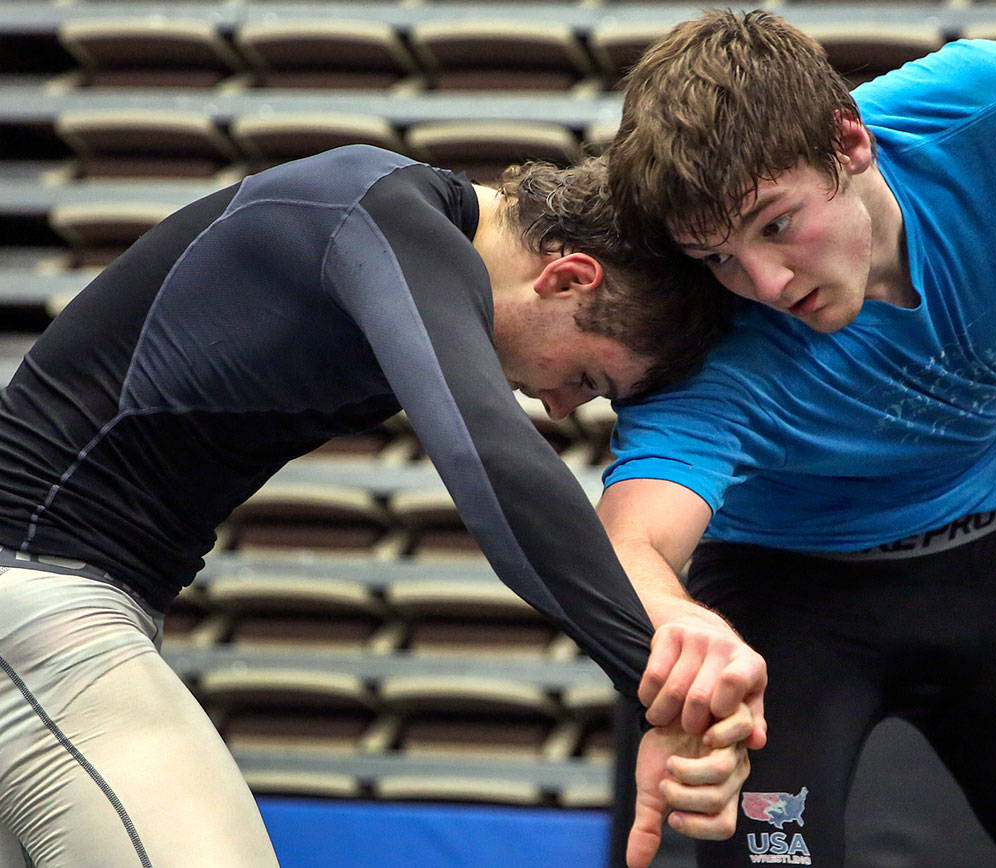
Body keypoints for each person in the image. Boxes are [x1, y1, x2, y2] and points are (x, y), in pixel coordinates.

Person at [0, 144, 759, 868]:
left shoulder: (390, 233)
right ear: (568, 279)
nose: (561, 407)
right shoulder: (378, 214)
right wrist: (659, 687)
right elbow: (493, 462)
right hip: (37, 601)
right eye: (589, 377)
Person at [598, 10, 996, 866]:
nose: (764, 282)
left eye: (777, 224)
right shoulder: (709, 340)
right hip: (782, 603)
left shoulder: (990, 111)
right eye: (718, 256)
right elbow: (633, 537)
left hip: (983, 560)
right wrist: (681, 624)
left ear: (850, 142)